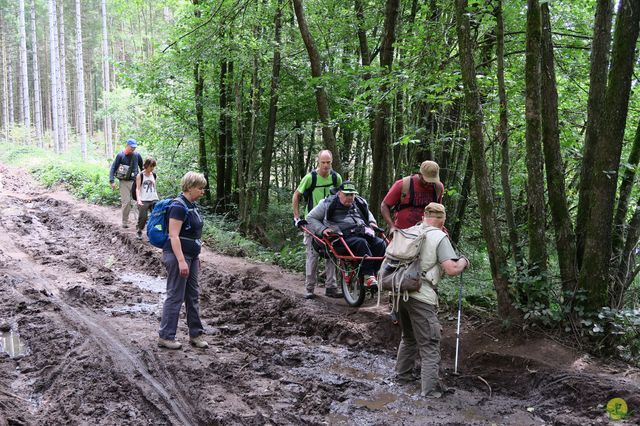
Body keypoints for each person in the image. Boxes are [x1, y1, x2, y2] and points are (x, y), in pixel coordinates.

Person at [395, 202, 468, 398]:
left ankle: (401, 376)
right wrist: (463, 261)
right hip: (422, 295)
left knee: (408, 337)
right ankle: (430, 392)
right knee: (429, 345)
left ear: (424, 216)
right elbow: (451, 270)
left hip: (398, 293)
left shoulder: (409, 231)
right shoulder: (439, 237)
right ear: (442, 219)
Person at [158, 172, 208, 350]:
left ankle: (196, 334)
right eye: (200, 188)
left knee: (192, 295)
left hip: (191, 257)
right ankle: (166, 336)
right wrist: (181, 260)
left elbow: (193, 234)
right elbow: (173, 235)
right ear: (189, 187)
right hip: (177, 256)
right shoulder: (178, 207)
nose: (203, 191)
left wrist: (195, 257)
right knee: (175, 295)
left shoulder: (192, 206)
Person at [306, 181, 386, 287]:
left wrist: (372, 222)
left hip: (362, 233)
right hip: (340, 237)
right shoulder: (327, 203)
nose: (350, 197)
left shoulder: (360, 202)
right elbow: (310, 218)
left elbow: (368, 214)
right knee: (360, 243)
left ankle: (374, 273)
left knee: (380, 243)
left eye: (352, 194)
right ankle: (368, 275)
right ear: (339, 193)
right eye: (346, 194)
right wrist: (322, 229)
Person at [292, 150, 343, 299]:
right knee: (312, 254)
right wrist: (297, 217)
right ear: (318, 162)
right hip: (312, 220)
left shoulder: (336, 177)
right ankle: (309, 289)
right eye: (323, 162)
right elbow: (296, 195)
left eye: (328, 162)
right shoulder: (310, 178)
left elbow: (342, 194)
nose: (326, 165)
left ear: (332, 162)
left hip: (330, 221)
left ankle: (331, 287)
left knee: (332, 254)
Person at [381, 160, 444, 233]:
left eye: (432, 181)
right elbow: (384, 205)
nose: (429, 183)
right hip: (403, 232)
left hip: (428, 233)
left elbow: (438, 210)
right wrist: (392, 226)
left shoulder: (438, 188)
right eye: (426, 180)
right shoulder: (403, 184)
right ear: (420, 174)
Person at [109, 138, 144, 228]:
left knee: (138, 201)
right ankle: (125, 222)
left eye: (134, 147)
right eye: (132, 147)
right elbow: (113, 167)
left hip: (135, 182)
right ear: (127, 146)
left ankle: (139, 222)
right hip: (124, 182)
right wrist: (112, 181)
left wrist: (145, 179)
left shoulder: (137, 155)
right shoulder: (120, 155)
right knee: (126, 202)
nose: (133, 149)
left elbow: (142, 168)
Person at [135, 158, 159, 239]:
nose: (152, 168)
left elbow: (154, 187)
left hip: (154, 198)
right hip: (144, 199)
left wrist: (157, 197)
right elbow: (137, 188)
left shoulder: (154, 175)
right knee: (143, 217)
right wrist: (138, 199)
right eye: (151, 166)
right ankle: (139, 230)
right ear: (146, 165)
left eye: (153, 166)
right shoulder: (140, 175)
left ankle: (151, 233)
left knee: (155, 216)